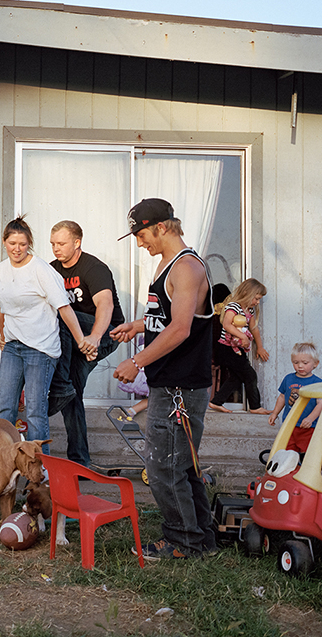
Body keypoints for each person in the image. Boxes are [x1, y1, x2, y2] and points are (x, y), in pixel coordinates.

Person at [111, 198, 217, 560]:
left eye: (141, 234)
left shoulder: (187, 268)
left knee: (162, 468)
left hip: (180, 387)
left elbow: (182, 329)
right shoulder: (167, 266)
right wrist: (138, 325)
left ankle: (183, 541)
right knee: (180, 466)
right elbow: (167, 318)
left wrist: (137, 362)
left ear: (162, 227)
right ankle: (202, 537)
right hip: (171, 383)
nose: (140, 243)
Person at [0, 215, 94, 449]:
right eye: (12, 243)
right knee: (4, 409)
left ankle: (40, 472)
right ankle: (3, 467)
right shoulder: (0, 271)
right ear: (5, 242)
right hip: (13, 346)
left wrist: (81, 341)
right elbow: (0, 307)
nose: (17, 249)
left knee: (35, 412)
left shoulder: (41, 270)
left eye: (22, 244)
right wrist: (3, 335)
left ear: (29, 244)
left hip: (40, 349)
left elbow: (64, 308)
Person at [47, 220, 125, 466]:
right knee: (73, 396)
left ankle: (59, 385)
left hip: (105, 333)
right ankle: (80, 462)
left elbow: (106, 305)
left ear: (77, 242)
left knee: (61, 314)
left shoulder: (94, 267)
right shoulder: (50, 270)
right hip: (74, 340)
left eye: (61, 243)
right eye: (52, 244)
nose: (56, 249)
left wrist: (93, 338)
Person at [209, 278, 270, 414]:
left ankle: (216, 402)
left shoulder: (249, 311)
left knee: (236, 378)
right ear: (247, 293)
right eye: (256, 298)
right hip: (226, 348)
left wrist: (259, 347)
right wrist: (243, 336)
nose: (258, 302)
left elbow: (254, 329)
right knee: (250, 375)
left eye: (259, 299)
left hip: (237, 349)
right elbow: (226, 324)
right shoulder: (233, 306)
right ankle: (255, 406)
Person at [268, 342, 322, 455]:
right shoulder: (288, 379)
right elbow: (282, 397)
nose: (300, 366)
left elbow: (320, 403)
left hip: (307, 427)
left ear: (315, 364)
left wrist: (310, 418)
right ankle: (291, 472)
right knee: (288, 452)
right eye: (296, 362)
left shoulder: (317, 383)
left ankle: (302, 471)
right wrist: (275, 413)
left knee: (306, 453)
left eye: (305, 363)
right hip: (289, 424)